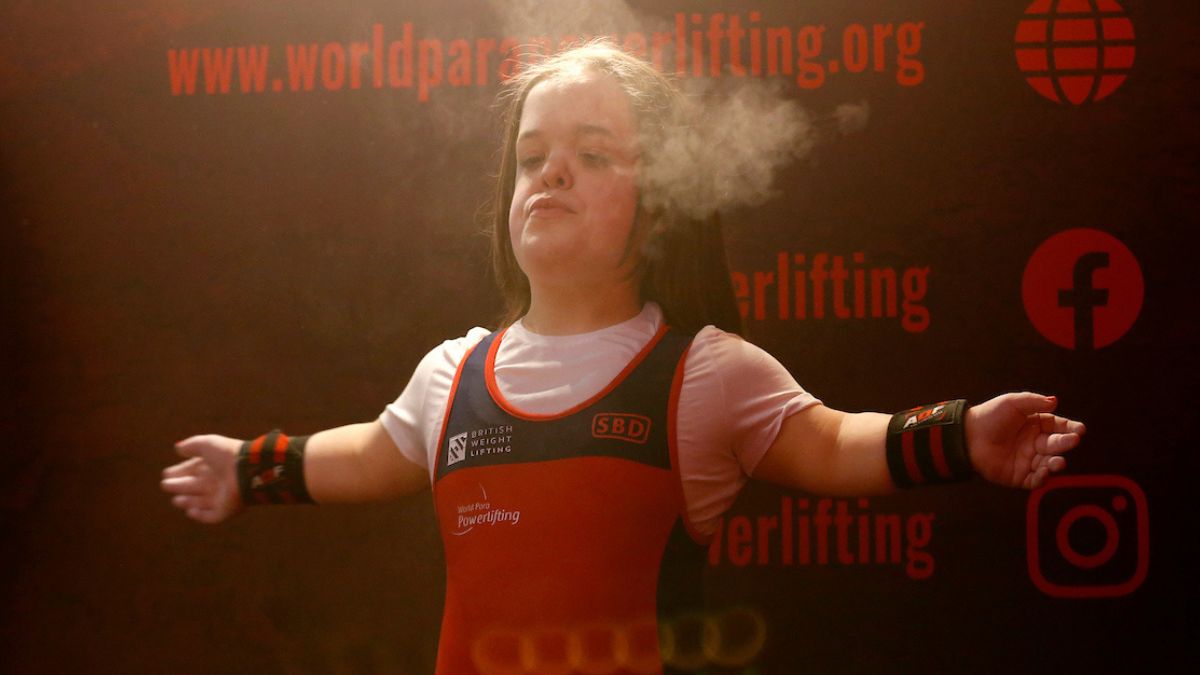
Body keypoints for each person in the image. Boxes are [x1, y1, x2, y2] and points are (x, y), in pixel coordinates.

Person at [161, 41, 1085, 674]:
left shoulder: (707, 374)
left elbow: (838, 443)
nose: (550, 173)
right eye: (532, 157)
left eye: (592, 154)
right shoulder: (450, 375)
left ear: (663, 208)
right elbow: (368, 454)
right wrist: (251, 466)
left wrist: (962, 436)